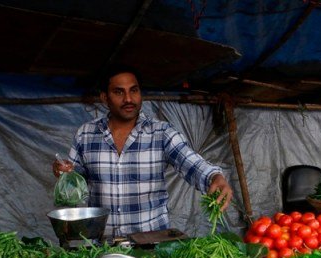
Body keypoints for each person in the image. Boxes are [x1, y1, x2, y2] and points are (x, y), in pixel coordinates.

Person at [53, 64, 233, 236]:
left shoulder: (161, 133)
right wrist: (64, 172)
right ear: (104, 98)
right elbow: (74, 181)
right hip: (102, 245)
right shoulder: (86, 134)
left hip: (150, 245)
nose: (128, 99)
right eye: (118, 92)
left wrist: (214, 177)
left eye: (134, 90)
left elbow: (192, 163)